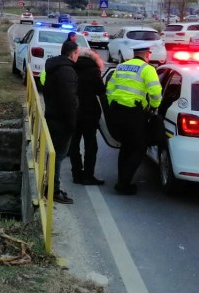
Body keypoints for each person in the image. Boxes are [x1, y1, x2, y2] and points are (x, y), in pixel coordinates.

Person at [106, 45, 162, 195]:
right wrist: (154, 107)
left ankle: (121, 180)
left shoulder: (121, 66)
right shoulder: (147, 69)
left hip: (117, 111)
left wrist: (113, 103)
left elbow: (110, 88)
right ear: (146, 55)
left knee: (126, 147)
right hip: (134, 113)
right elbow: (156, 91)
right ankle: (124, 184)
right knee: (138, 147)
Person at [40, 39, 80, 204]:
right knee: (58, 156)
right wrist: (73, 124)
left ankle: (50, 186)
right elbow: (69, 101)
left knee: (53, 155)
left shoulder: (53, 67)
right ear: (72, 54)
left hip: (51, 114)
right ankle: (53, 190)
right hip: (62, 121)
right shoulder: (67, 71)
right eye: (77, 53)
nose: (78, 56)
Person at [69, 49, 106, 185]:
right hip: (90, 113)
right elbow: (101, 91)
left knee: (74, 144)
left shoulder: (71, 69)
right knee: (91, 145)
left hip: (74, 111)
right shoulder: (93, 70)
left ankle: (76, 174)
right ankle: (88, 175)